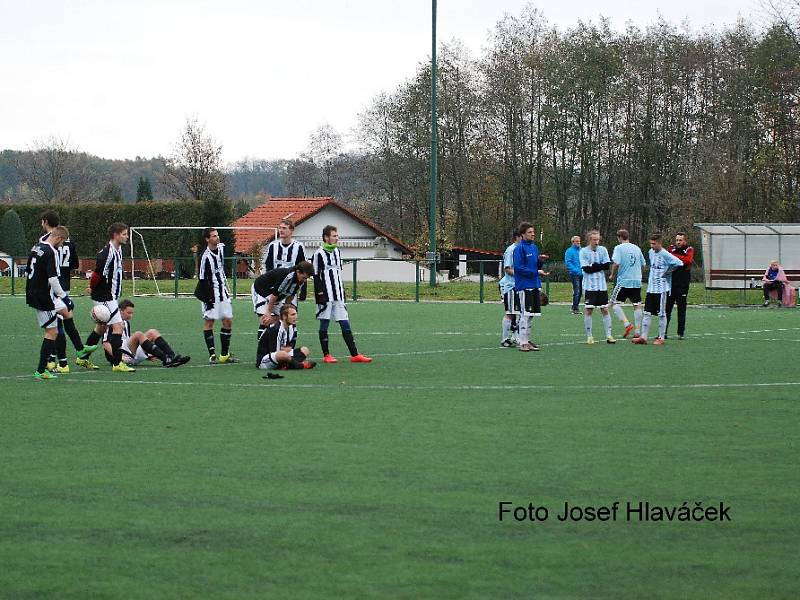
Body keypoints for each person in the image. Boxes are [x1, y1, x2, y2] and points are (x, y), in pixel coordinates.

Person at [26, 226, 97, 379]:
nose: (62, 245)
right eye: (63, 242)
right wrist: (64, 297)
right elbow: (53, 279)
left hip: (36, 292)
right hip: (44, 297)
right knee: (52, 332)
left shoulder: (37, 246)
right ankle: (41, 370)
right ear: (59, 238)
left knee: (66, 312)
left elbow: (28, 270)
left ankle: (80, 349)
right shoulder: (51, 252)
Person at [38, 210, 93, 373]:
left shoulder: (45, 241)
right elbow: (75, 264)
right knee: (62, 320)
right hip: (65, 285)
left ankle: (57, 362)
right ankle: (66, 358)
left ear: (45, 222)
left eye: (42, 222)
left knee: (55, 326)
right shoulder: (69, 240)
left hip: (52, 287)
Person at [312, 225, 372, 363]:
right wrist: (320, 294)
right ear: (326, 237)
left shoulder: (337, 252)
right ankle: (326, 355)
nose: (337, 238)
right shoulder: (318, 254)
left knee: (345, 322)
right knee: (324, 324)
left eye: (337, 235)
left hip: (338, 295)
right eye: (334, 236)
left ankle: (355, 354)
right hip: (326, 295)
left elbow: (338, 272)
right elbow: (315, 275)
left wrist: (342, 291)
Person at [84, 222, 135, 372]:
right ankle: (117, 363)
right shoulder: (107, 253)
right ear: (116, 235)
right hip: (105, 296)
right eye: (124, 234)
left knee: (101, 328)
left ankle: (83, 358)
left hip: (110, 295)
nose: (127, 237)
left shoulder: (118, 250)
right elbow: (97, 274)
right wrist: (92, 288)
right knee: (118, 326)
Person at [101, 299, 190, 368]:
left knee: (152, 332)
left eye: (132, 313)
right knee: (138, 334)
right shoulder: (111, 322)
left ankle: (171, 357)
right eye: (128, 313)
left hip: (129, 353)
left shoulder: (125, 323)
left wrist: (148, 356)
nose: (131, 315)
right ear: (120, 310)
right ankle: (165, 359)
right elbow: (105, 343)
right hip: (120, 357)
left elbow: (127, 340)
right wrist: (119, 357)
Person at [633, 233, 684, 345]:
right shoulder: (651, 252)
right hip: (651, 289)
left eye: (654, 244)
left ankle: (661, 338)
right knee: (646, 312)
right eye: (651, 243)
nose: (652, 246)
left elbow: (679, 263)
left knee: (661, 313)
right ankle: (643, 337)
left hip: (661, 289)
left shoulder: (665, 254)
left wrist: (668, 272)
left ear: (660, 243)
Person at [197, 227, 239, 364]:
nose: (217, 237)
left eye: (217, 235)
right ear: (207, 239)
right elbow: (202, 279)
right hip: (211, 293)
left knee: (228, 321)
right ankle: (212, 355)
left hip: (223, 292)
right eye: (214, 236)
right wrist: (208, 300)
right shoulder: (205, 257)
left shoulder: (221, 248)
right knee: (210, 321)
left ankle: (224, 355)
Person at [251, 261, 314, 339]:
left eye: (306, 278)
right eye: (304, 277)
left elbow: (291, 295)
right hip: (260, 290)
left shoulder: (300, 280)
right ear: (298, 272)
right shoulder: (287, 276)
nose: (304, 280)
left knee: (287, 319)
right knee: (265, 320)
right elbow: (275, 295)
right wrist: (268, 312)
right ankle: (263, 350)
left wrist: (286, 310)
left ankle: (287, 349)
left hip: (274, 296)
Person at [609, 229, 646, 339]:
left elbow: (616, 263)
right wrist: (638, 274)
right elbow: (643, 264)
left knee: (614, 304)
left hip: (624, 281)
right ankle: (638, 331)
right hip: (636, 281)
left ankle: (627, 324)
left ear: (619, 237)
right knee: (637, 305)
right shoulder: (636, 248)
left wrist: (612, 275)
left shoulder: (618, 248)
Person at [580, 230, 615, 344]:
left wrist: (595, 266)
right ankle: (589, 336)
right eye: (594, 240)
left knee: (605, 309)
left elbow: (606, 265)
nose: (596, 242)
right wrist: (597, 266)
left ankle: (609, 335)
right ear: (589, 240)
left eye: (598, 239)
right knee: (589, 310)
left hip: (601, 285)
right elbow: (586, 268)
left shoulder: (603, 250)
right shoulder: (583, 251)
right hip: (590, 286)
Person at [512, 222, 543, 352]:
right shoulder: (519, 249)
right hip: (524, 286)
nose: (533, 234)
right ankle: (522, 342)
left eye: (533, 232)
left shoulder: (534, 247)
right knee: (524, 314)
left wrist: (540, 261)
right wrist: (535, 272)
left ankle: (527, 340)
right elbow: (519, 268)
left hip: (535, 284)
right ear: (523, 234)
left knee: (531, 315)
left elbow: (536, 266)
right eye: (530, 232)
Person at [256, 304, 316, 371]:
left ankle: (287, 365)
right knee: (283, 354)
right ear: (284, 316)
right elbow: (274, 351)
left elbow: (290, 346)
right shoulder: (276, 329)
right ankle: (300, 365)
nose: (296, 317)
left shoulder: (291, 327)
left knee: (305, 350)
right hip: (265, 360)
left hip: (281, 354)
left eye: (296, 314)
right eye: (292, 315)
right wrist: (285, 351)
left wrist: (287, 349)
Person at [262, 218, 308, 305]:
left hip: (291, 287)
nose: (281, 230)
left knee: (289, 316)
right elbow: (268, 267)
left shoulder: (299, 246)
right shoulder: (273, 246)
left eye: (284, 228)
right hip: (275, 287)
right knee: (273, 316)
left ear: (291, 230)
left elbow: (303, 269)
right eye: (280, 228)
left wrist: (303, 288)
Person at [665, 232, 694, 338]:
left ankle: (680, 333)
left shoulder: (689, 249)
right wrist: (679, 259)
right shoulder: (671, 248)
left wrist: (675, 259)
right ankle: (664, 332)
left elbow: (688, 260)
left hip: (683, 285)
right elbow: (667, 258)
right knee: (667, 309)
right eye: (677, 240)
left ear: (685, 241)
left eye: (680, 240)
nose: (678, 242)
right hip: (670, 284)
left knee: (681, 309)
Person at [498, 229, 520, 347]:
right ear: (517, 237)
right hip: (511, 286)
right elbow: (507, 269)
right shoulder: (511, 250)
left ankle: (515, 336)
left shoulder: (522, 250)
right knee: (510, 312)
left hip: (520, 286)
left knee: (519, 312)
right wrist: (522, 274)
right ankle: (505, 338)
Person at [564, 235, 583, 314]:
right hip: (574, 274)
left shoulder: (582, 250)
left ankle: (574, 306)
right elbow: (568, 262)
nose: (578, 242)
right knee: (577, 290)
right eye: (577, 241)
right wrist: (575, 270)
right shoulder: (569, 251)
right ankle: (575, 308)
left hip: (582, 273)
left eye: (579, 241)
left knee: (580, 291)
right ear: (573, 242)